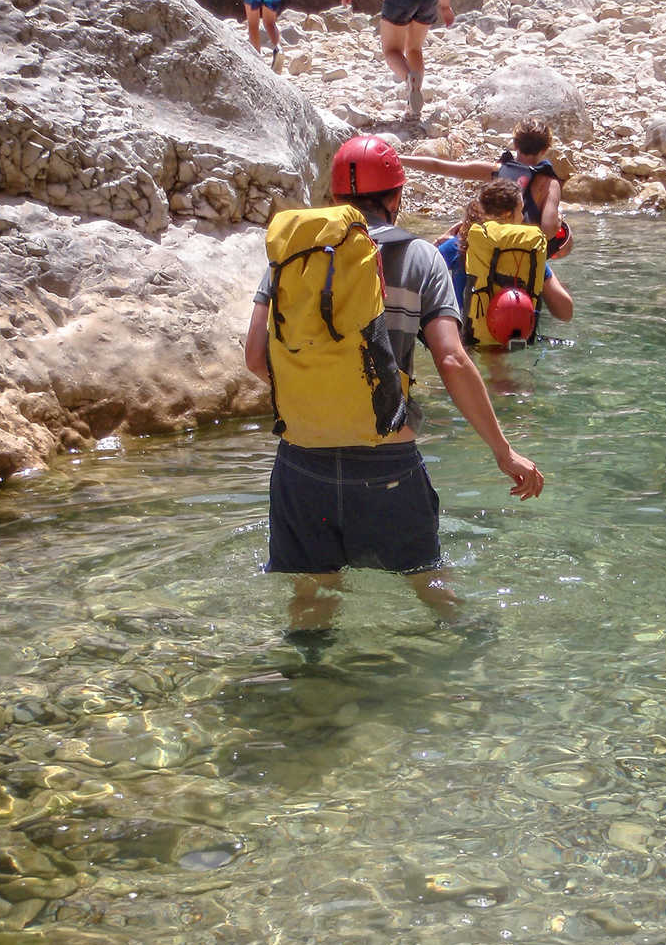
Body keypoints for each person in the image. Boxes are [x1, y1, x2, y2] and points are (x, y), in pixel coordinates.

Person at [244, 136, 543, 628]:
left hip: (301, 463)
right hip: (388, 461)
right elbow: (451, 359)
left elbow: (256, 357)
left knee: (311, 603)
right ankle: (473, 678)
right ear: (397, 196)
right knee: (434, 592)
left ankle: (305, 695)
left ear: (336, 198)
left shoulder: (292, 257)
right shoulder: (422, 258)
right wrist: (503, 450)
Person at [403, 118, 567, 255]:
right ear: (545, 149)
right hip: (520, 254)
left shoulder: (497, 170)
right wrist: (559, 222)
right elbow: (548, 229)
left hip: (485, 247)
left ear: (515, 144)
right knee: (568, 242)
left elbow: (441, 167)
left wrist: (399, 158)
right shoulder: (549, 184)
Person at [438, 181, 574, 339]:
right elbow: (565, 312)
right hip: (517, 343)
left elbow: (420, 270)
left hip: (470, 342)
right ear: (508, 215)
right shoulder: (529, 251)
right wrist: (541, 264)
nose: (523, 217)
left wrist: (439, 241)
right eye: (521, 211)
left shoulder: (459, 245)